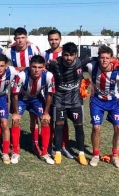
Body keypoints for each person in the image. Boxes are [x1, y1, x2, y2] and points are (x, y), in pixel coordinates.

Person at [87, 46, 119, 168]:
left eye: (107, 58)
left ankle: (115, 156)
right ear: (98, 58)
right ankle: (96, 155)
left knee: (118, 127)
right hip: (97, 101)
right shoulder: (92, 65)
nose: (104, 60)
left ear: (111, 58)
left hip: (114, 102)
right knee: (96, 127)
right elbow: (76, 67)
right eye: (102, 57)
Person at [47, 42, 91, 166]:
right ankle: (58, 152)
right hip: (59, 101)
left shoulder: (80, 62)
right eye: (66, 55)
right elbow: (42, 68)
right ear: (62, 54)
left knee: (79, 126)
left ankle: (81, 154)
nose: (69, 58)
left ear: (76, 55)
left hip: (76, 102)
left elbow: (97, 60)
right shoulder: (55, 64)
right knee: (59, 125)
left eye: (72, 55)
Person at [10, 55, 55, 165]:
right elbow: (14, 95)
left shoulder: (49, 76)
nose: (36, 70)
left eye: (39, 67)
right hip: (22, 98)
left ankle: (44, 152)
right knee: (15, 120)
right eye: (34, 67)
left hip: (36, 98)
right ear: (30, 66)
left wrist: (46, 113)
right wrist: (16, 113)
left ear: (44, 67)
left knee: (45, 120)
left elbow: (50, 94)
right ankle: (15, 151)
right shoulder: (21, 76)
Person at [6, 27, 42, 155]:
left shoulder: (34, 48)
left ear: (26, 38)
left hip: (33, 89)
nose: (20, 40)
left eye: (23, 37)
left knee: (34, 117)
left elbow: (41, 63)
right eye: (18, 38)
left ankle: (35, 143)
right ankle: (14, 144)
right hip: (17, 88)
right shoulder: (9, 52)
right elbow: (4, 66)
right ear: (15, 39)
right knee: (15, 117)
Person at [42, 30, 74, 159]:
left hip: (65, 93)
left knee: (63, 121)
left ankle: (63, 146)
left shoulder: (66, 52)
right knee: (49, 118)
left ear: (60, 39)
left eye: (56, 39)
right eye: (51, 39)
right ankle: (49, 145)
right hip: (49, 91)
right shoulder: (44, 54)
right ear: (48, 40)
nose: (53, 41)